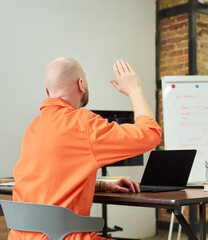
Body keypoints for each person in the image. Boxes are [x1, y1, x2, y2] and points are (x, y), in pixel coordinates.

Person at [10, 58, 162, 240]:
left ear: (47, 91)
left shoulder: (34, 128)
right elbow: (150, 133)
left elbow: (52, 182)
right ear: (81, 85)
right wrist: (134, 90)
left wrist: (102, 184)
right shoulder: (83, 124)